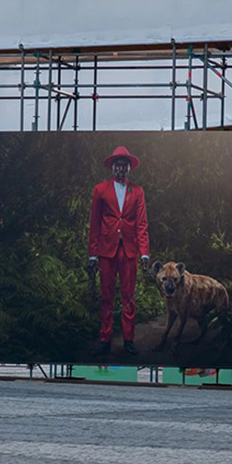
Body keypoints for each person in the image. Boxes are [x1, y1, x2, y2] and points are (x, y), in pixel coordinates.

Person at [87, 146, 150, 357]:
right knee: (106, 296)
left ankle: (128, 340)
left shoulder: (138, 191)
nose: (121, 168)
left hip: (129, 250)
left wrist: (144, 253)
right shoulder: (100, 189)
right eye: (118, 164)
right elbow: (94, 223)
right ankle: (104, 339)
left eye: (125, 164)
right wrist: (92, 254)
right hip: (106, 249)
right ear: (112, 167)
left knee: (128, 296)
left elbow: (142, 223)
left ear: (129, 168)